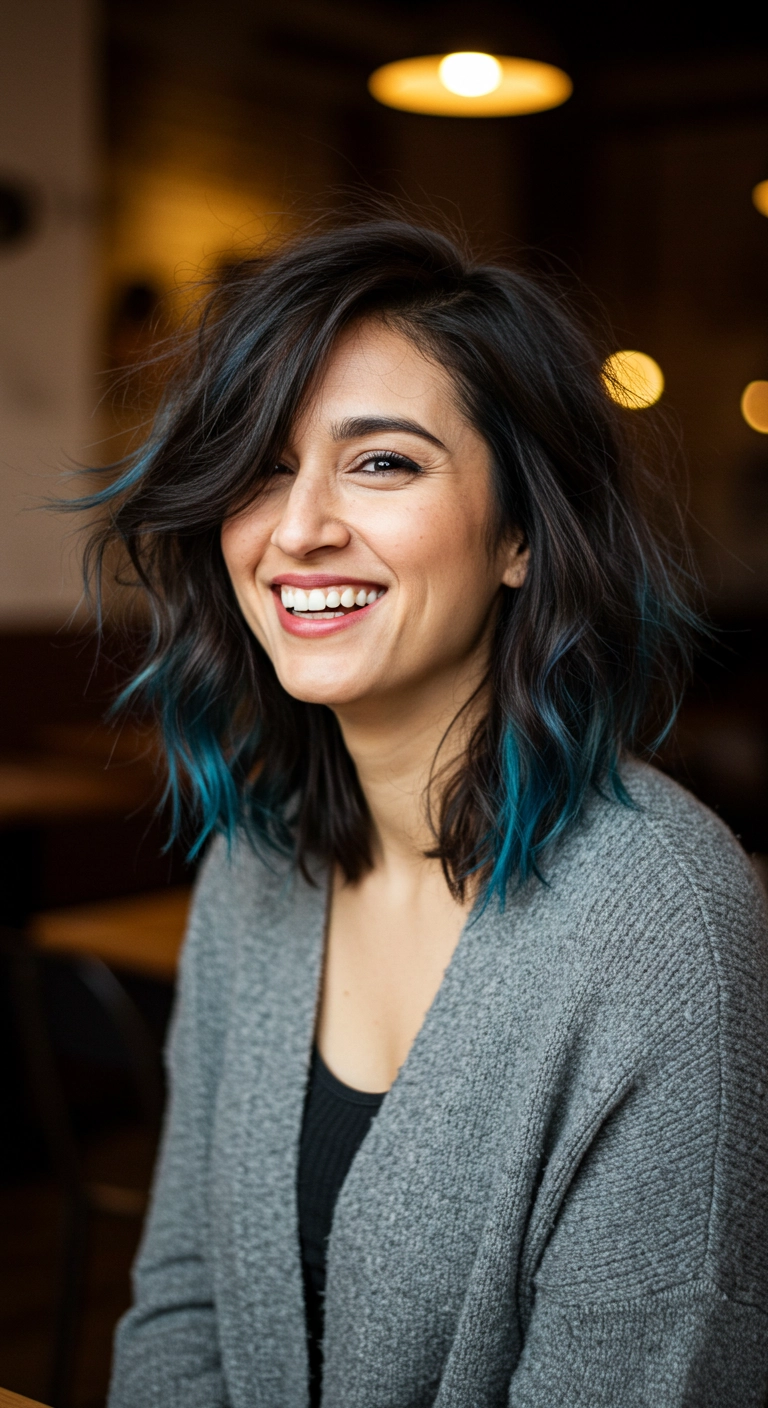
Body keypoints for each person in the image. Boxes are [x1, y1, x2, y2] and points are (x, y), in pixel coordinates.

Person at [91, 221, 768, 1406]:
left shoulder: (666, 927)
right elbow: (183, 1304)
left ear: (518, 533)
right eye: (262, 463)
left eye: (382, 463)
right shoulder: (257, 862)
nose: (297, 527)